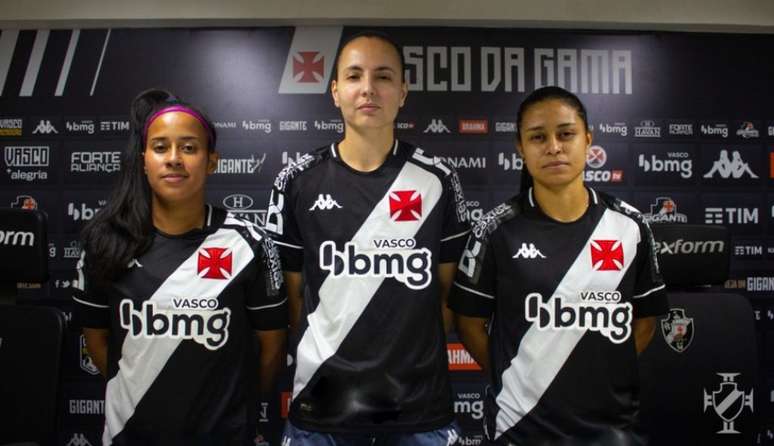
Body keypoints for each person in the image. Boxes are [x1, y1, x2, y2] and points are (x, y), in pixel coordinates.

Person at [265, 31, 469, 444]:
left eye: (383, 77)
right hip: (321, 406)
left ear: (403, 92)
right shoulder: (297, 181)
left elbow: (448, 297)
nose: (369, 89)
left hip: (418, 408)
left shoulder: (438, 180)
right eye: (354, 76)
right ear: (335, 91)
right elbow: (294, 298)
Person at [450, 86, 668, 445]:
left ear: (588, 139)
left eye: (565, 134)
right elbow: (469, 322)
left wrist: (606, 372)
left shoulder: (630, 226)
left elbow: (645, 322)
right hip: (520, 430)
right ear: (521, 148)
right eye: (538, 137)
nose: (553, 147)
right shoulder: (495, 230)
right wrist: (515, 375)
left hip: (609, 430)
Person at [72, 89, 287, 446]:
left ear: (212, 160)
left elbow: (272, 347)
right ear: (143, 160)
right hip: (130, 436)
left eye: (189, 148)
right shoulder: (105, 243)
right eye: (160, 148)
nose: (174, 159)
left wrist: (228, 411)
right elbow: (97, 342)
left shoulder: (248, 244)